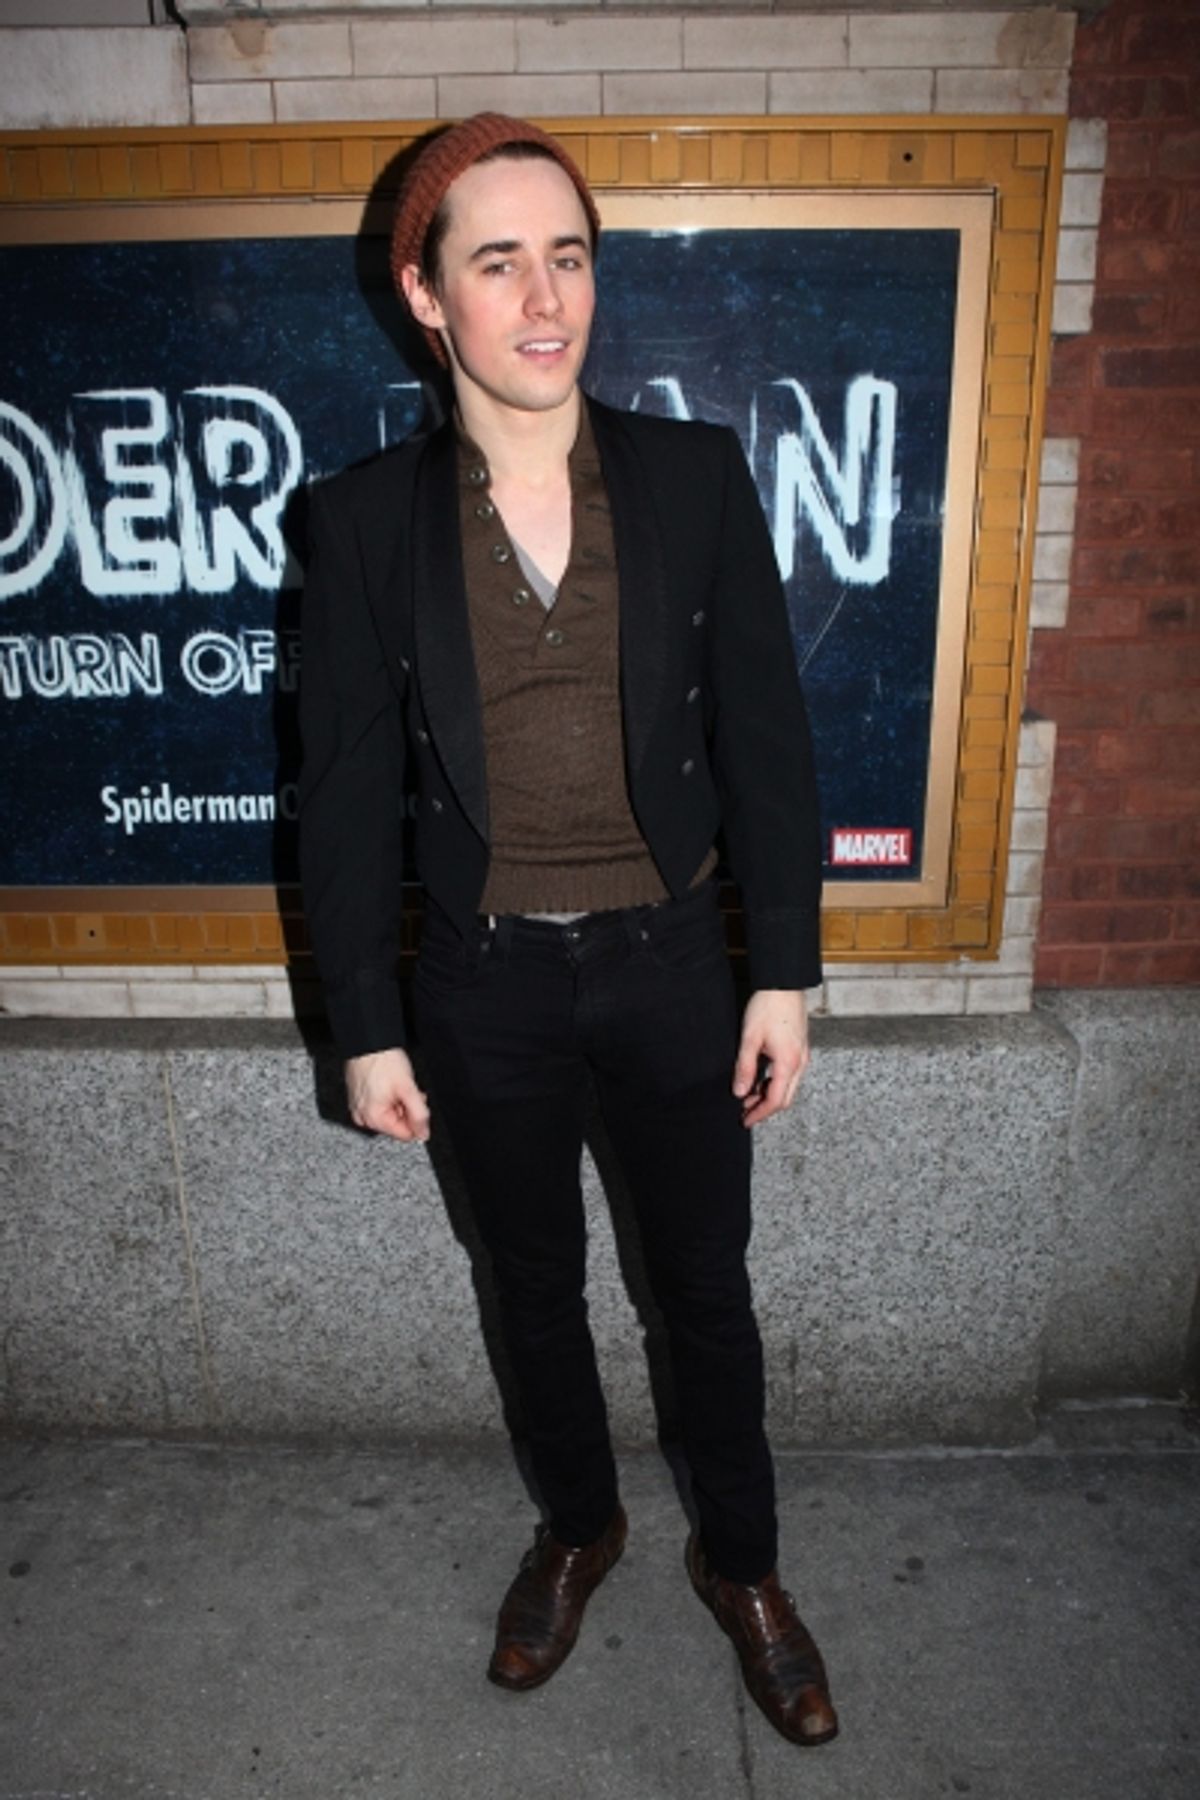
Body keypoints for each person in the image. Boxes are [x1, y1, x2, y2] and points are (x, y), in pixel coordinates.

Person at [298, 113, 837, 1749]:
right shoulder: (362, 523)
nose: (546, 299)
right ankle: (582, 1524)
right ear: (425, 295)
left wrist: (786, 973)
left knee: (707, 1295)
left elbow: (767, 738)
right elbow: (335, 798)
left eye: (571, 256)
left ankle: (742, 1567)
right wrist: (366, 1022)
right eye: (498, 262)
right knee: (530, 1288)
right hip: (482, 982)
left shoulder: (693, 477)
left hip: (675, 968)